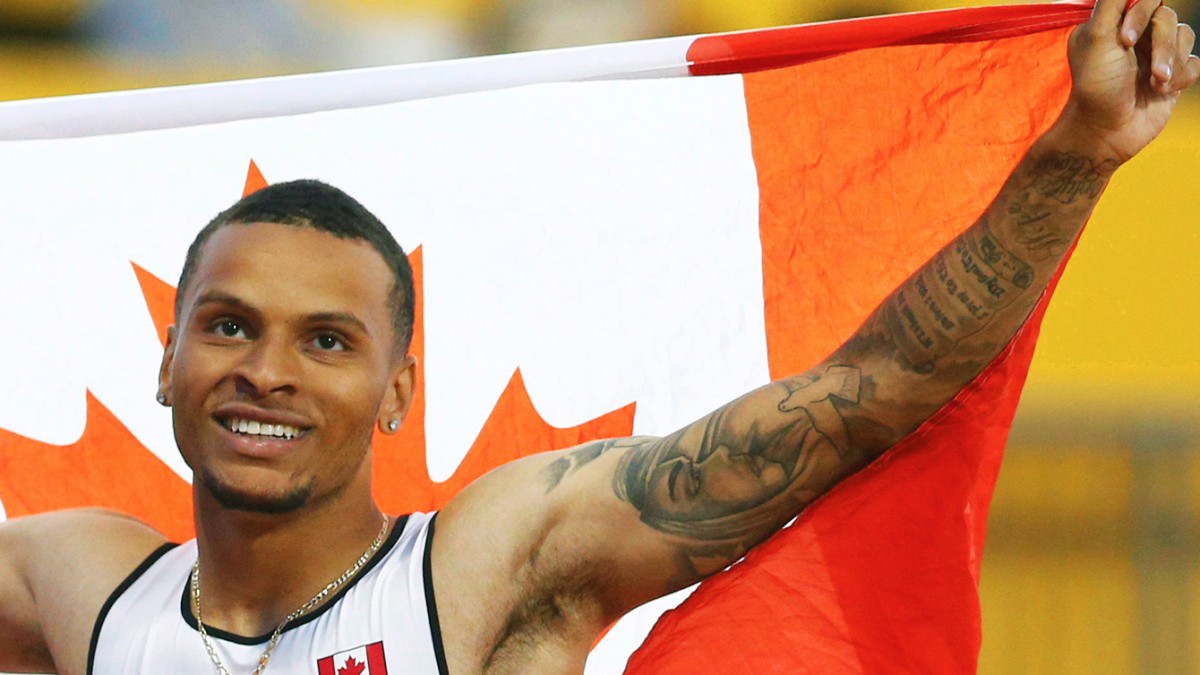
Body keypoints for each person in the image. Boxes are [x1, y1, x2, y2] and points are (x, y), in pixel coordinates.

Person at [1, 0, 1197, 672]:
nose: (266, 372)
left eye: (326, 342)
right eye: (227, 326)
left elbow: (866, 393)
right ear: (166, 358)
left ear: (400, 389)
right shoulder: (86, 586)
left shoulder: (486, 571)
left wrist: (1076, 155)